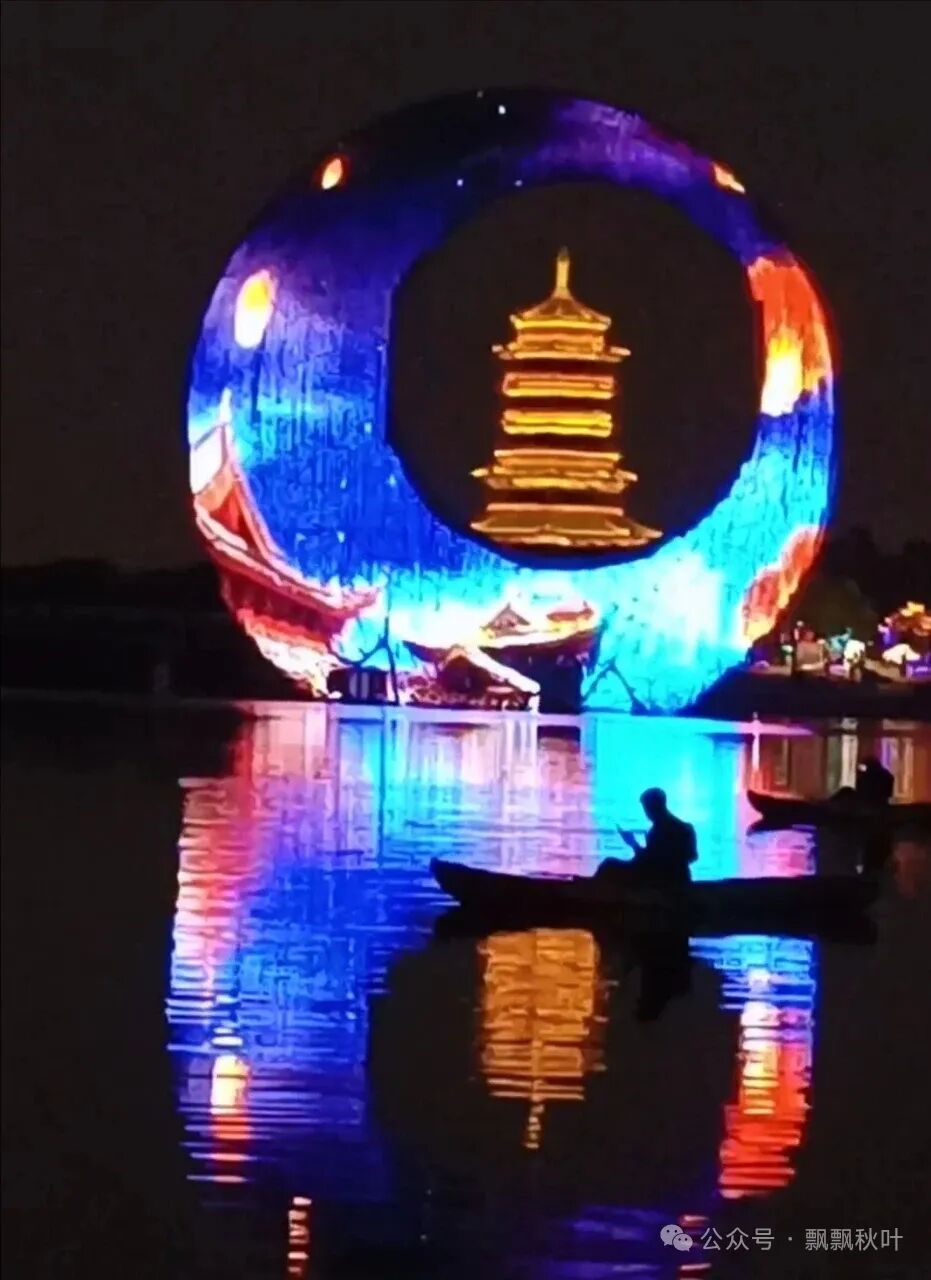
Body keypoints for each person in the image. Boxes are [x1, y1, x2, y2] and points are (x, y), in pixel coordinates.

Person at [615, 788, 698, 886]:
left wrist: (633, 843)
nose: (646, 814)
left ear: (654, 807)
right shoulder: (686, 828)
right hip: (681, 880)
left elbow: (651, 862)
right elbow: (693, 856)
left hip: (663, 884)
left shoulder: (656, 832)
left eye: (646, 808)